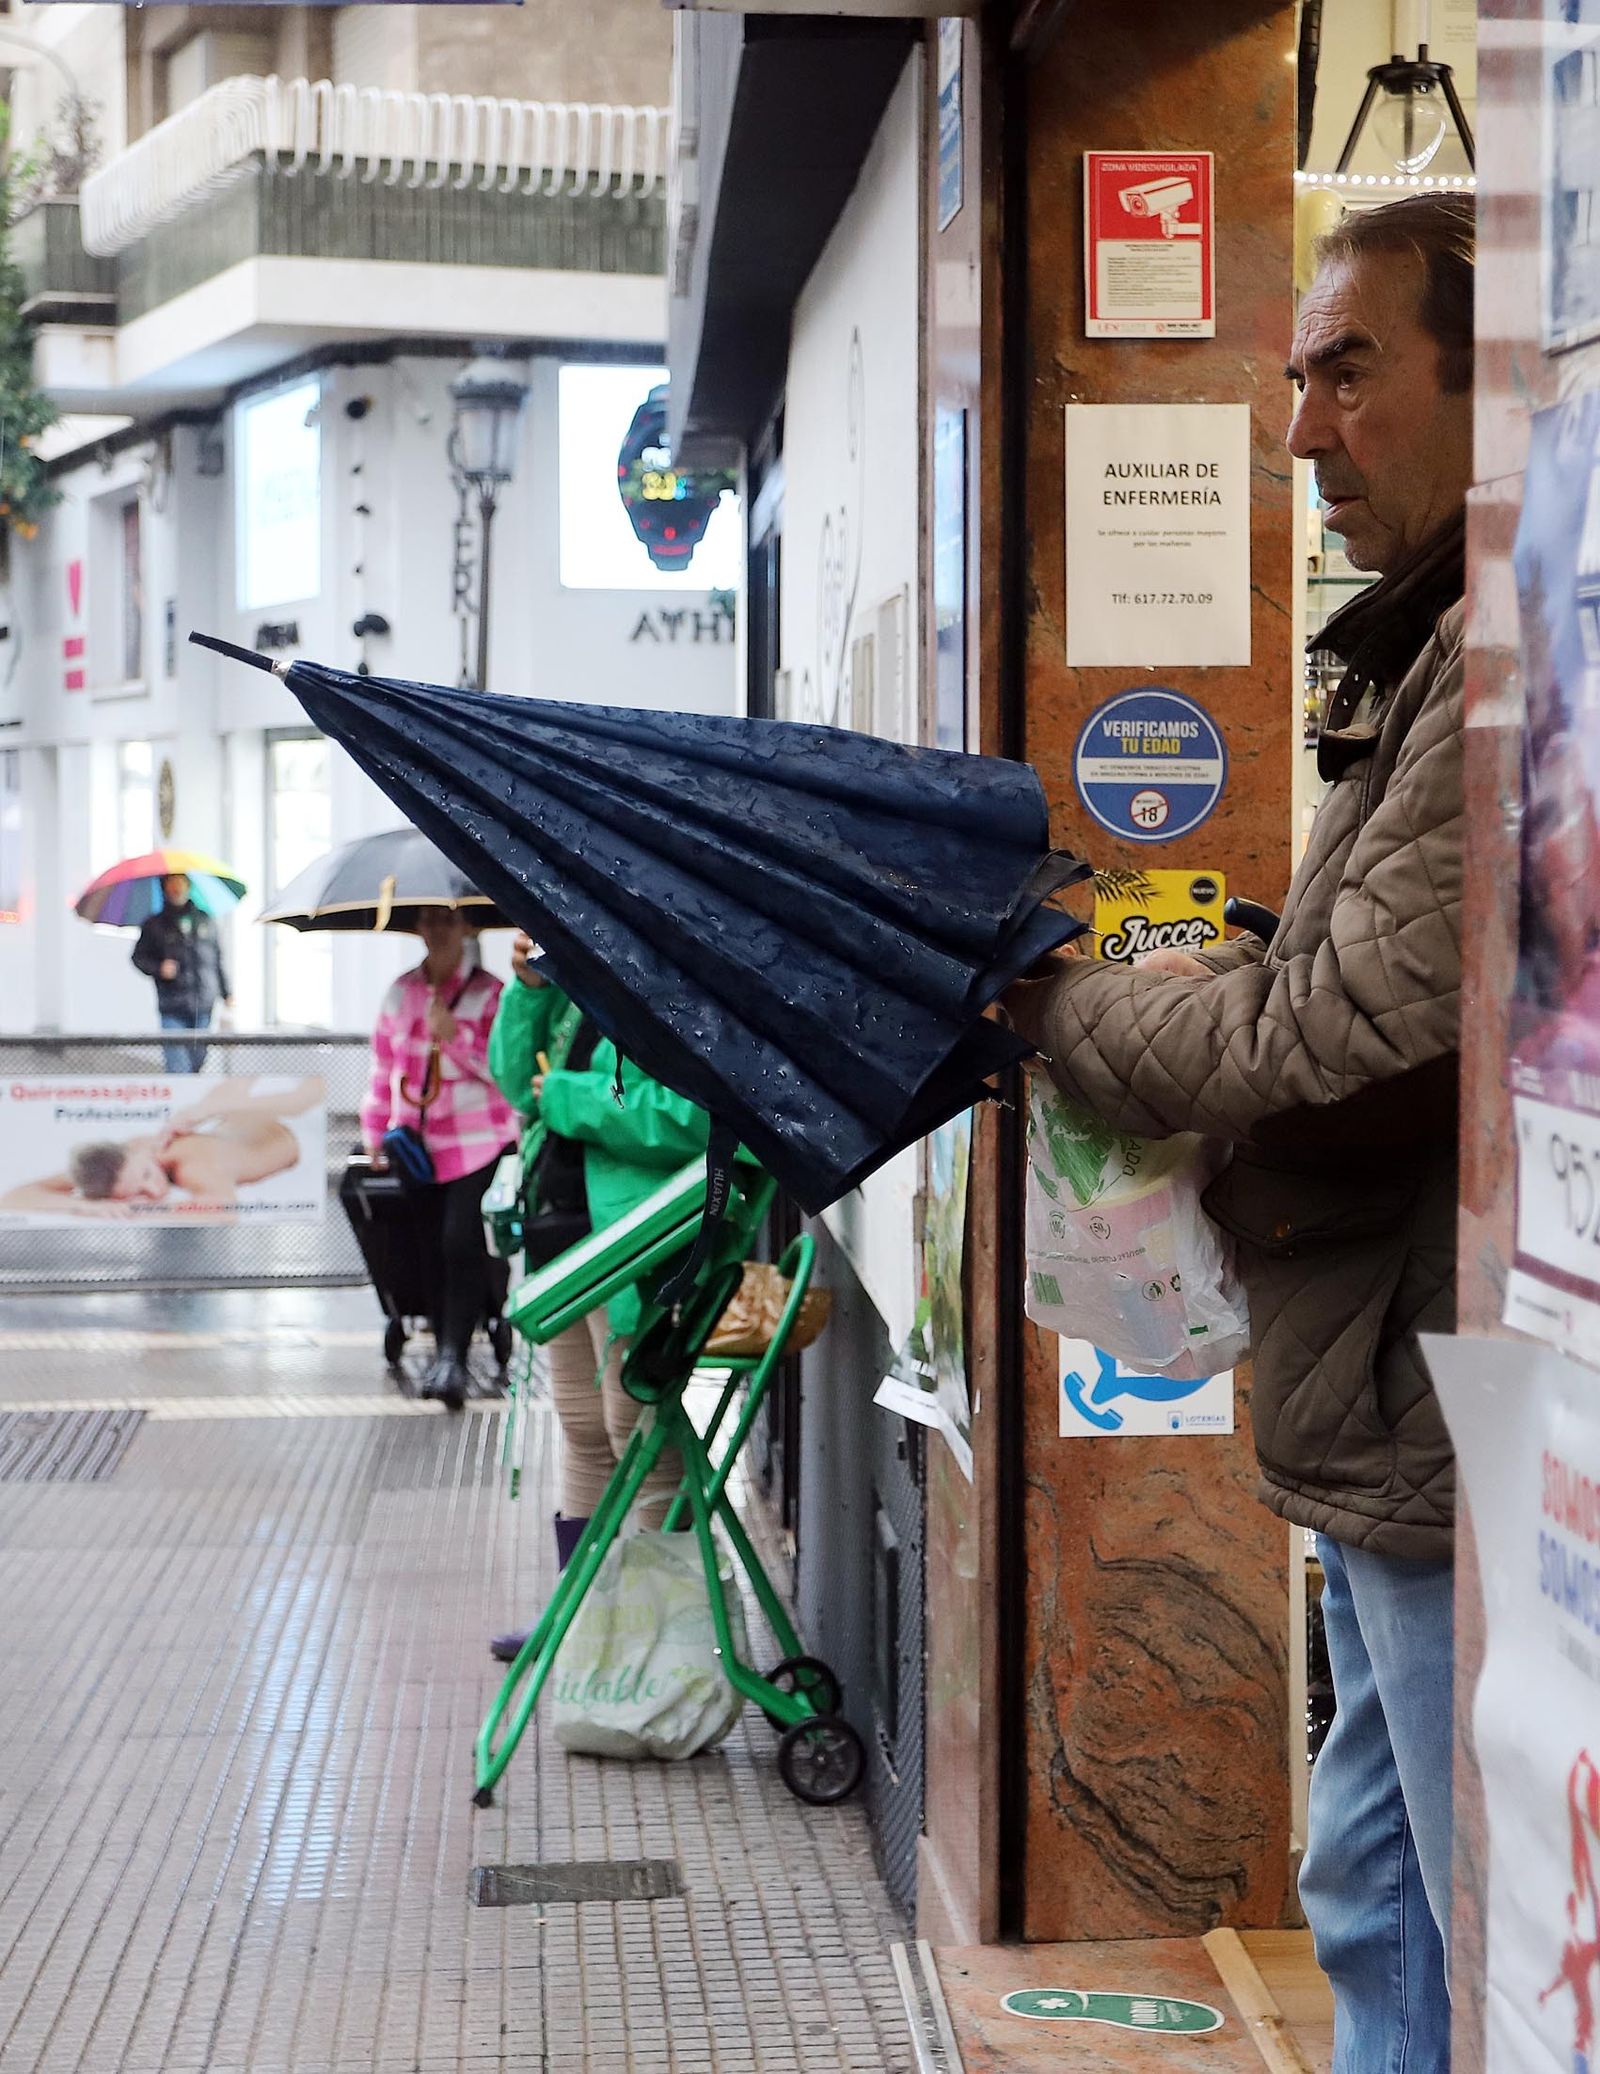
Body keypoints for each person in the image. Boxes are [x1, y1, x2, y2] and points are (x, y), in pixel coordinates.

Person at [1005, 194, 1473, 2074]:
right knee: (1374, 1881)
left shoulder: (1506, 661)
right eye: (1295, 380)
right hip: (1385, 1402)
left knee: (1480, 1894)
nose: (1301, 433)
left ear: (1495, 374)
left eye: (1348, 370)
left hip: (1451, 1418)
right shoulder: (1442, 645)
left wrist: (1061, 1004)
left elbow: (1332, 1033)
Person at [486, 930, 709, 1660]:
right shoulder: (575, 987)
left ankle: (659, 1633)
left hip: (635, 1251)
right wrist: (528, 991)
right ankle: (579, 1624)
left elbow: (689, 1119)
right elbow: (518, 1083)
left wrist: (568, 1097)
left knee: (637, 1431)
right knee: (583, 1429)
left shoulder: (672, 984)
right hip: (562, 1243)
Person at [361, 909, 516, 1411]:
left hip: (479, 1143)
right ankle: (439, 1347)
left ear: (467, 926)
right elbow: (384, 1067)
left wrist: (456, 1036)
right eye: (428, 920)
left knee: (460, 1242)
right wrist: (375, 1132)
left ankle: (454, 1356)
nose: (438, 928)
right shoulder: (401, 992)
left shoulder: (491, 994)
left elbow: (503, 1069)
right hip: (416, 1146)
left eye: (448, 919)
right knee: (427, 1246)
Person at [1, 1076, 321, 1217]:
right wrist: (84, 1206)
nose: (152, 1191)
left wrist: (147, 1209)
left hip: (290, 1128)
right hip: (233, 1125)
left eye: (145, 1175)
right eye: (136, 1192)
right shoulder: (127, 1158)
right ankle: (211, 1110)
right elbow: (13, 1196)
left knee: (239, 1099)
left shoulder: (192, 1168)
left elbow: (223, 1208)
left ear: (140, 1155)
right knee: (223, 1099)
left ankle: (211, 1109)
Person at [131, 873, 232, 1074]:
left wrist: (227, 992)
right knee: (178, 1066)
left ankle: (191, 1101)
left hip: (203, 1004)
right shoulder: (154, 925)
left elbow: (216, 959)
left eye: (180, 883)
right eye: (171, 884)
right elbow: (139, 957)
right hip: (172, 1004)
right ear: (165, 888)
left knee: (197, 1062)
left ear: (188, 886)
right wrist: (159, 968)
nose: (176, 888)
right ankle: (179, 1103)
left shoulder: (205, 920)